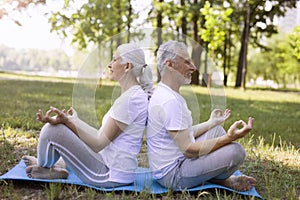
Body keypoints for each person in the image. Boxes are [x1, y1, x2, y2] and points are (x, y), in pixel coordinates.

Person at [22, 43, 153, 188]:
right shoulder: (132, 96)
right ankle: (57, 165)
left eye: (115, 60)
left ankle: (44, 168)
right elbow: (101, 136)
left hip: (109, 174)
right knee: (61, 128)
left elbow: (98, 144)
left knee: (52, 130)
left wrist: (69, 123)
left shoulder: (131, 100)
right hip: (111, 166)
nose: (110, 64)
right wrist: (73, 121)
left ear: (127, 66)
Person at [146, 40, 256, 191]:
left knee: (216, 131)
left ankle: (212, 178)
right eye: (187, 62)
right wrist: (229, 138)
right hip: (172, 175)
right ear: (169, 65)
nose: (193, 67)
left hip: (171, 164)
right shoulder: (169, 101)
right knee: (236, 152)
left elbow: (184, 133)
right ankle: (221, 180)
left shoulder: (166, 92)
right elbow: (188, 150)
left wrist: (211, 123)